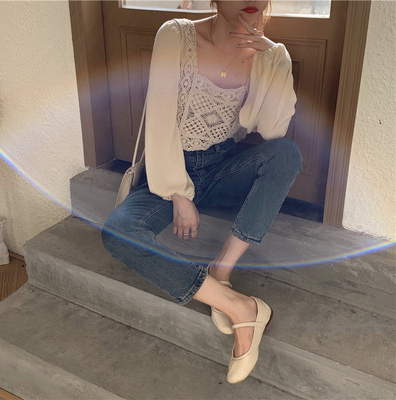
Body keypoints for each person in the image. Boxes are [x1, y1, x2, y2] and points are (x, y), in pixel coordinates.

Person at [102, 0, 302, 384]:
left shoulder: (270, 54)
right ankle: (239, 307)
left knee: (286, 154)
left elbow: (272, 130)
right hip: (169, 169)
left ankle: (221, 269)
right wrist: (178, 193)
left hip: (222, 165)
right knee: (118, 232)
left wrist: (273, 60)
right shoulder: (176, 36)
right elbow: (160, 117)